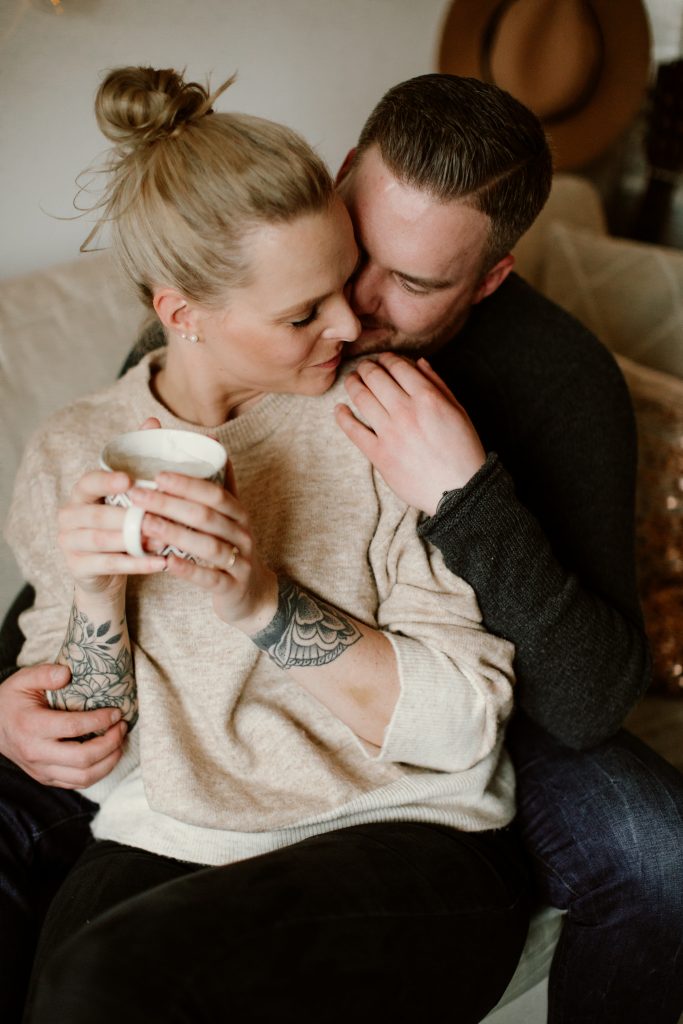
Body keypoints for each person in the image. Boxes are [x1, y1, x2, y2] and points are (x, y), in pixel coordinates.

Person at [1, 71, 681, 1023]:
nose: (353, 314)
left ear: (489, 277)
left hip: (485, 718)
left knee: (656, 851)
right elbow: (79, 557)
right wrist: (24, 684)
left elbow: (581, 698)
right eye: (351, 254)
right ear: (345, 177)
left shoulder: (543, 386)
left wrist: (465, 499)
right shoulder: (214, 335)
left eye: (411, 282)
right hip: (204, 772)